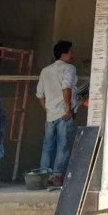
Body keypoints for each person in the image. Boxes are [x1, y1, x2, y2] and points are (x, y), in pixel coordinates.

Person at [36, 40, 77, 187]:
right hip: (63, 116)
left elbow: (39, 94)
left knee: (47, 147)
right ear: (64, 54)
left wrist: (47, 109)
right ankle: (58, 177)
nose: (72, 55)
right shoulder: (69, 68)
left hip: (50, 116)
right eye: (70, 52)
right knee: (63, 146)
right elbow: (67, 88)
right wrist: (68, 109)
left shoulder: (45, 71)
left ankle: (44, 176)